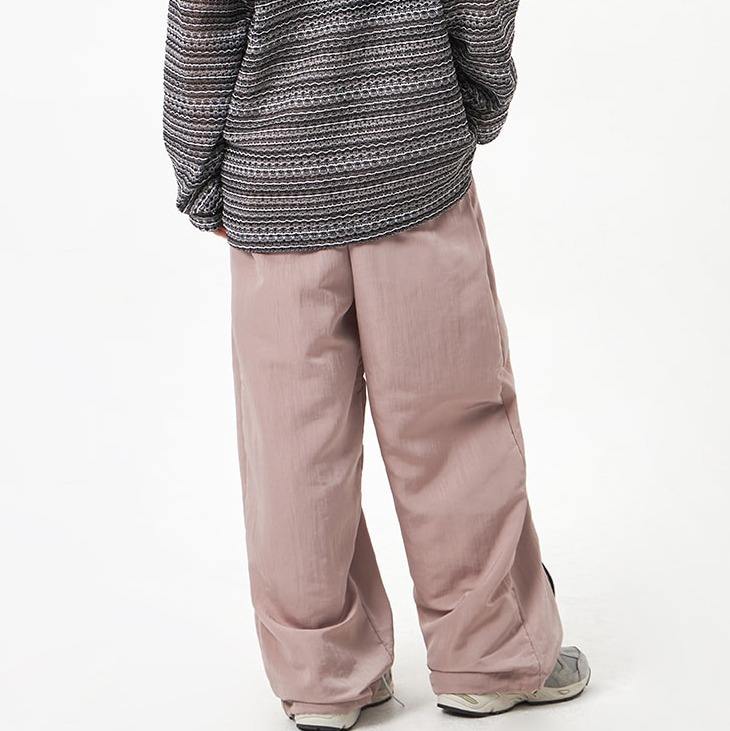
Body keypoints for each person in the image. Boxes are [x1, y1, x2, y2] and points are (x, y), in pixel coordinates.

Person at [163, 1, 590, 728]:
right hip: (412, 156)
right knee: (452, 424)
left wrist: (200, 174)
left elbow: (205, 16)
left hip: (277, 184)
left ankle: (322, 678)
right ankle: (490, 652)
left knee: (294, 451)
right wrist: (477, 100)